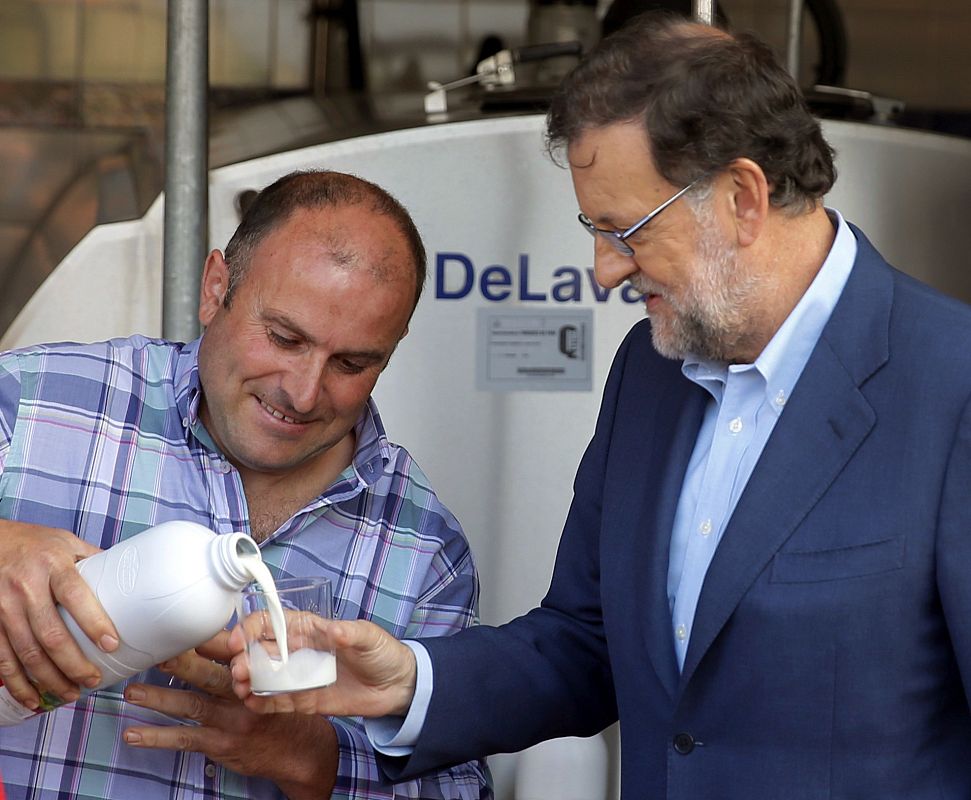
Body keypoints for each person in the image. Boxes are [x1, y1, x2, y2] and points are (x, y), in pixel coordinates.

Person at [227, 14, 971, 800]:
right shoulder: (650, 373)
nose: (604, 271)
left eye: (626, 231)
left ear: (743, 197)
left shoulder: (950, 388)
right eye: (593, 229)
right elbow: (588, 642)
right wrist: (408, 682)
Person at [0, 170, 490, 799]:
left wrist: (316, 758)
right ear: (215, 289)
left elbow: (458, 788)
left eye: (352, 363)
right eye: (285, 338)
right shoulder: (35, 404)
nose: (303, 392)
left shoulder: (424, 551)